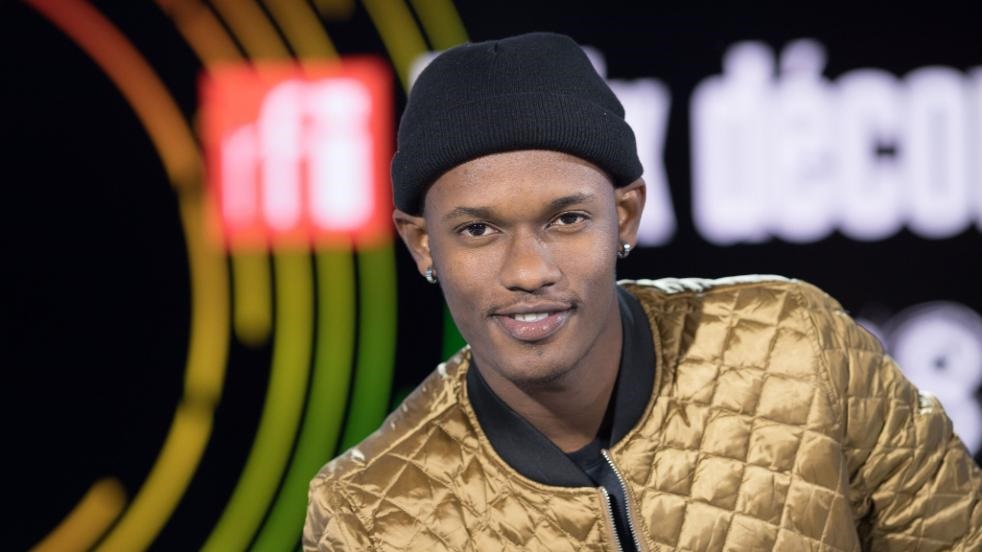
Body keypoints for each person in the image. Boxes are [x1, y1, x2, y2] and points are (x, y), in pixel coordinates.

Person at [304, 32, 980, 551]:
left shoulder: (799, 347)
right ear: (423, 244)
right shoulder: (367, 513)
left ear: (624, 216)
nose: (529, 270)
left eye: (567, 220)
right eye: (477, 230)